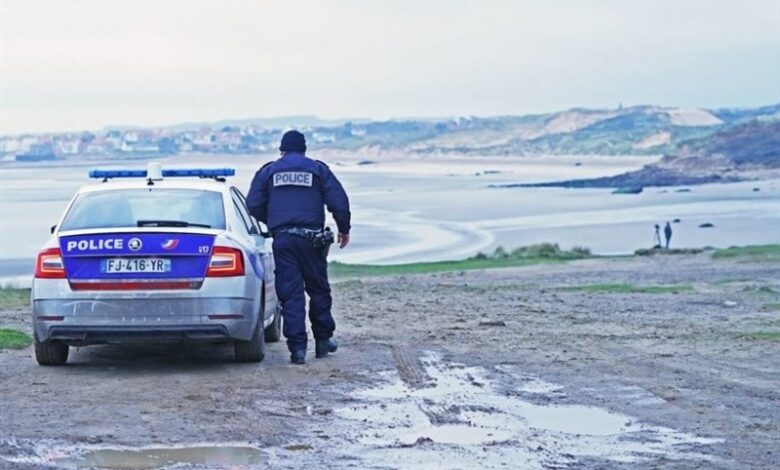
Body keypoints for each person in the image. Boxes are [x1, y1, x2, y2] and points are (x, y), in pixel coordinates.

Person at [246, 130, 351, 364]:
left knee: (291, 293)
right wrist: (344, 228)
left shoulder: (269, 171)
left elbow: (252, 204)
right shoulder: (317, 169)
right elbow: (339, 201)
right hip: (312, 240)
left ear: (281, 150)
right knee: (318, 290)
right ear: (304, 149)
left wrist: (274, 222)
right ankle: (323, 341)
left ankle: (298, 350)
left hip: (283, 240)